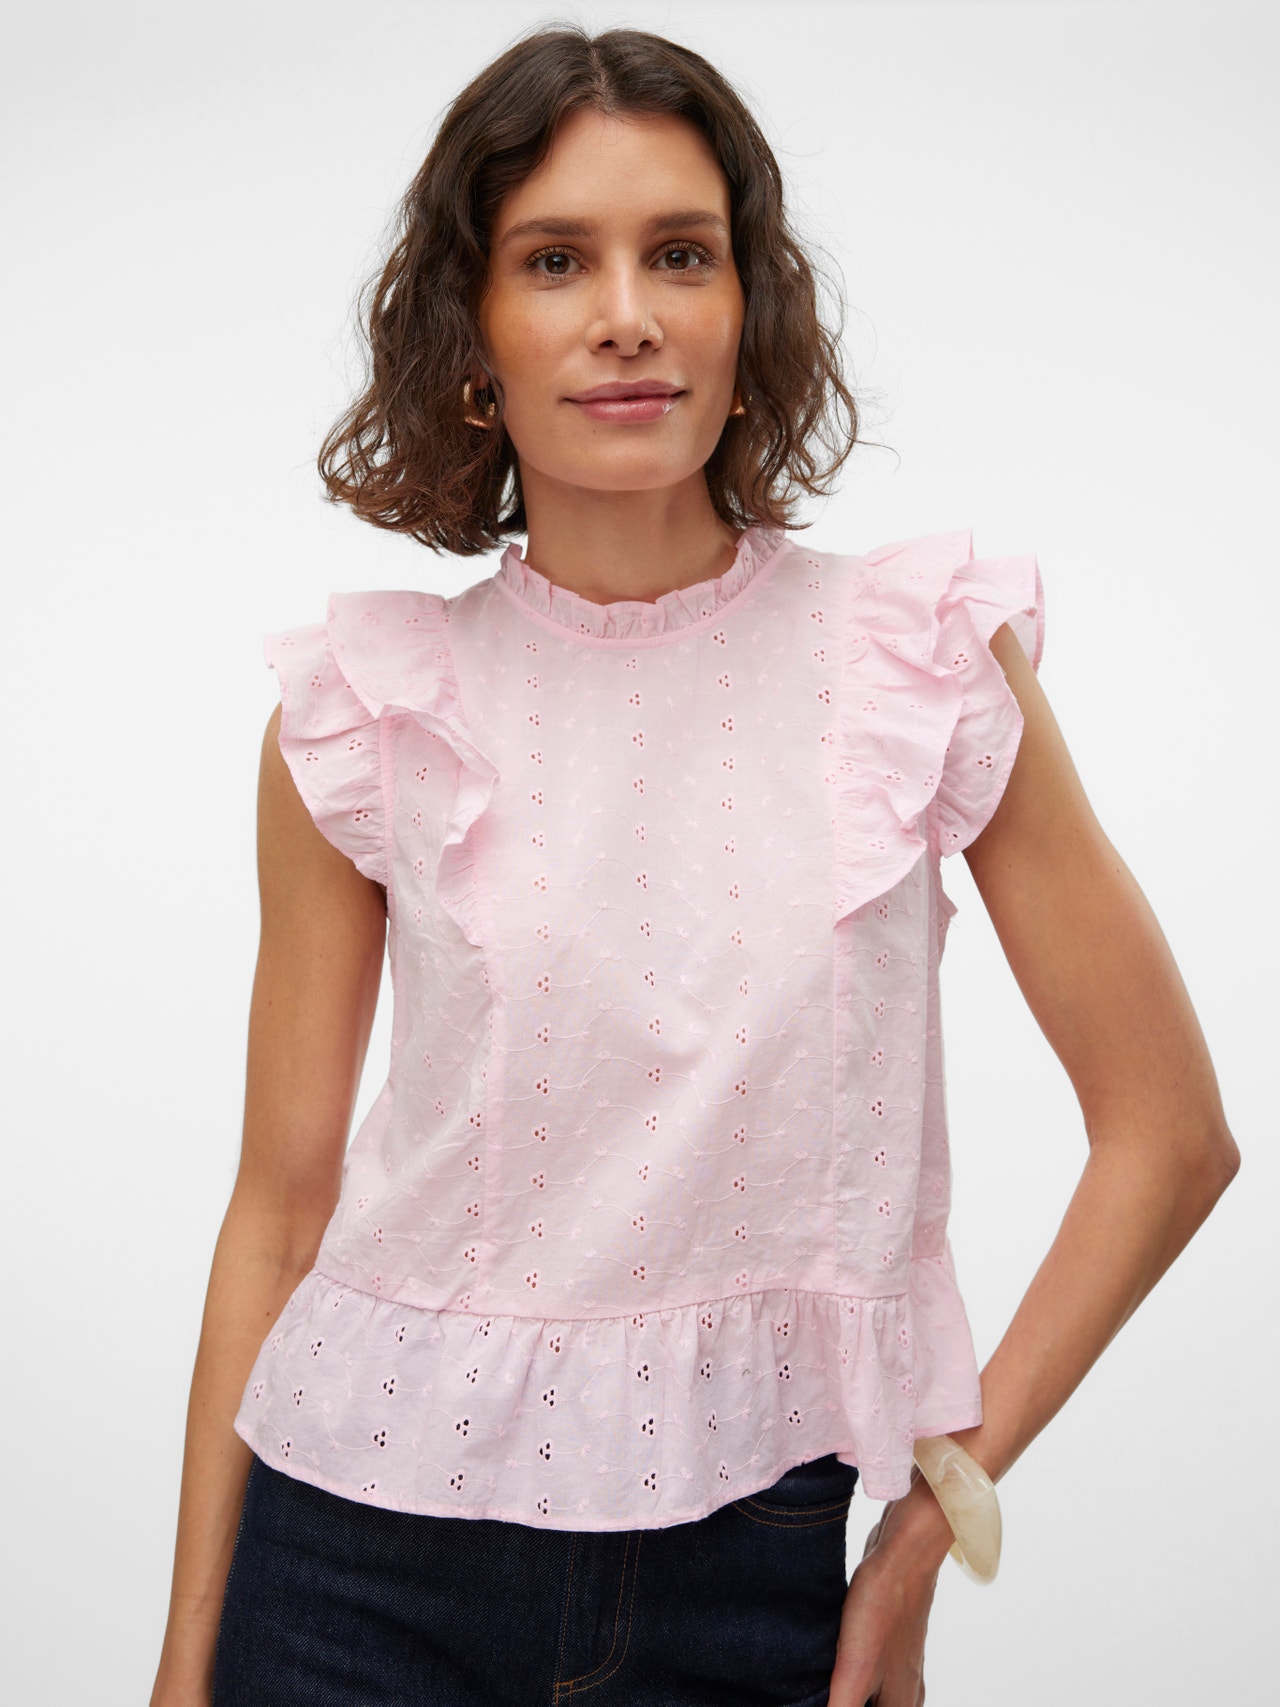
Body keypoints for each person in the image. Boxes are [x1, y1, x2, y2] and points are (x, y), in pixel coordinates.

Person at [149, 23, 1240, 1707]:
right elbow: (278, 1215)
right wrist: (185, 1660)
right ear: (472, 337)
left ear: (749, 310)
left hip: (750, 1574)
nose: (627, 314)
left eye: (681, 253)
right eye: (554, 261)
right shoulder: (372, 708)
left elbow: (1170, 1138)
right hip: (349, 1570)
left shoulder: (916, 664)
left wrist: (930, 1528)